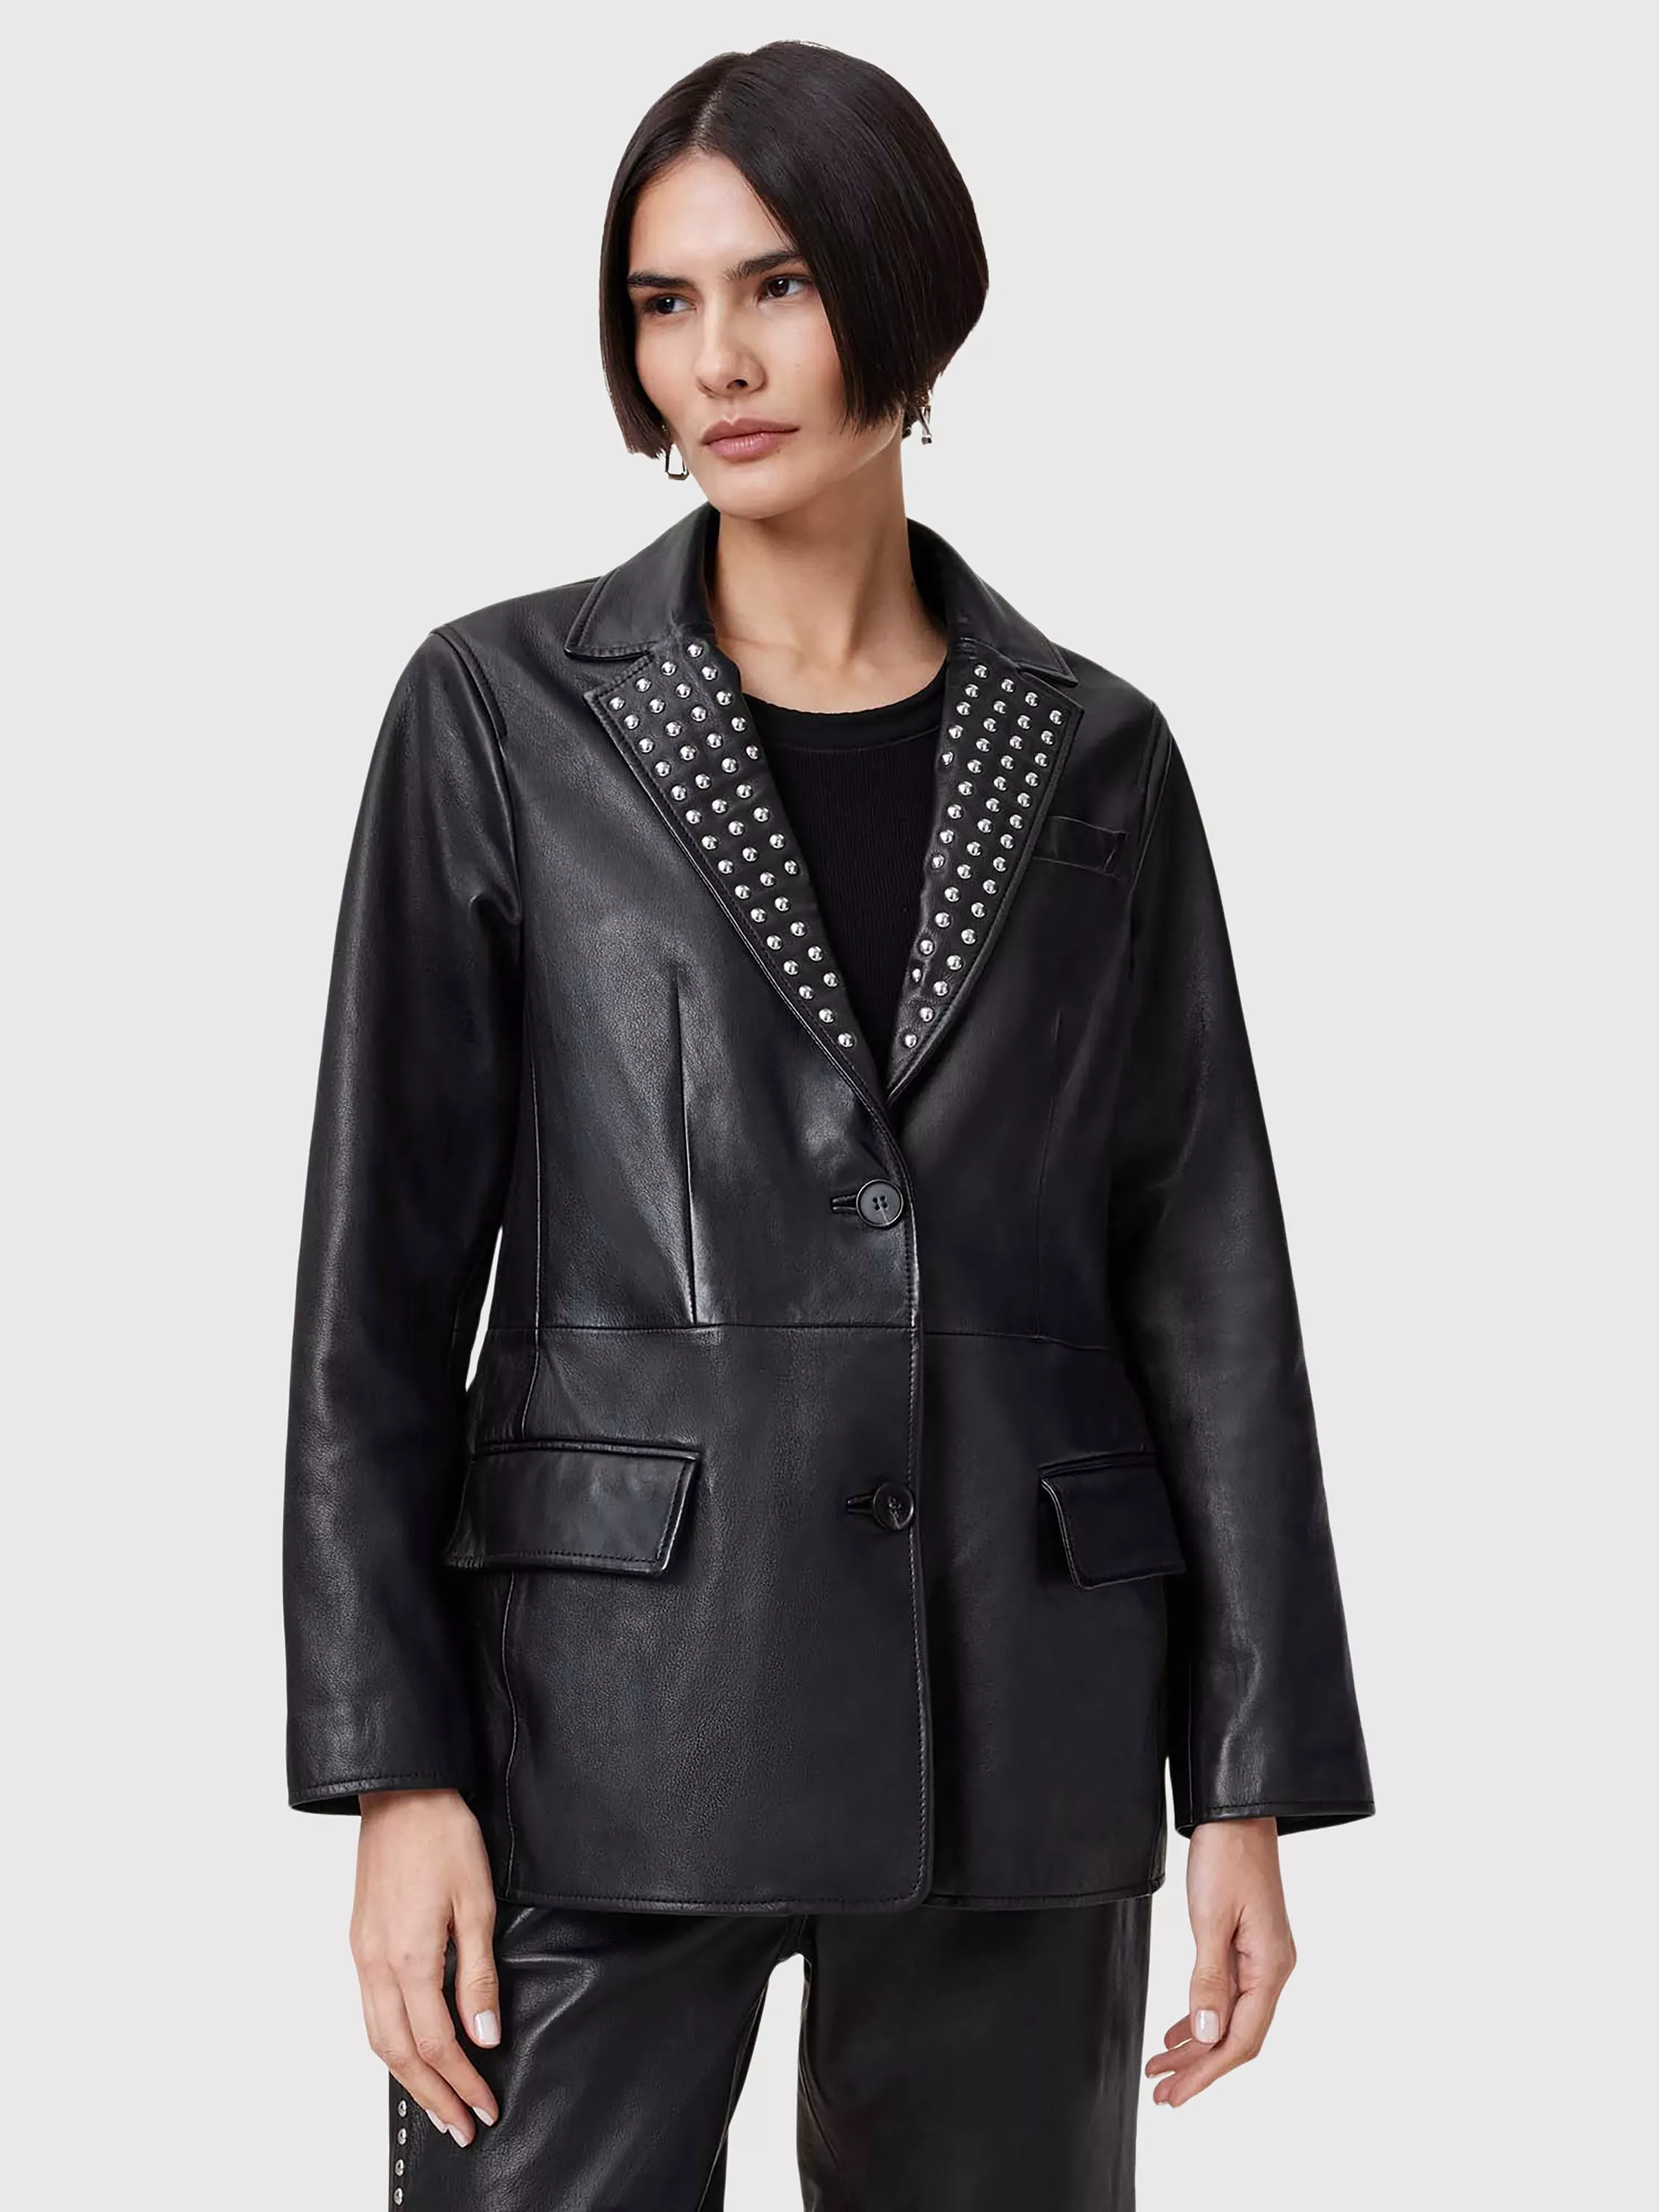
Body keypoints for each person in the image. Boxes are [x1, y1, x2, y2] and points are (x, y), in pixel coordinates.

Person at [281, 39, 1374, 2211]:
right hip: (602, 1713)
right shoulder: (501, 718)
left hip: (1024, 1700)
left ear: (903, 291)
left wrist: (1244, 1780)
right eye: (663, 304)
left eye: (775, 286)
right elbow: (377, 1287)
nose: (717, 362)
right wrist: (393, 1771)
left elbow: (1204, 1269)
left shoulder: (1097, 759)